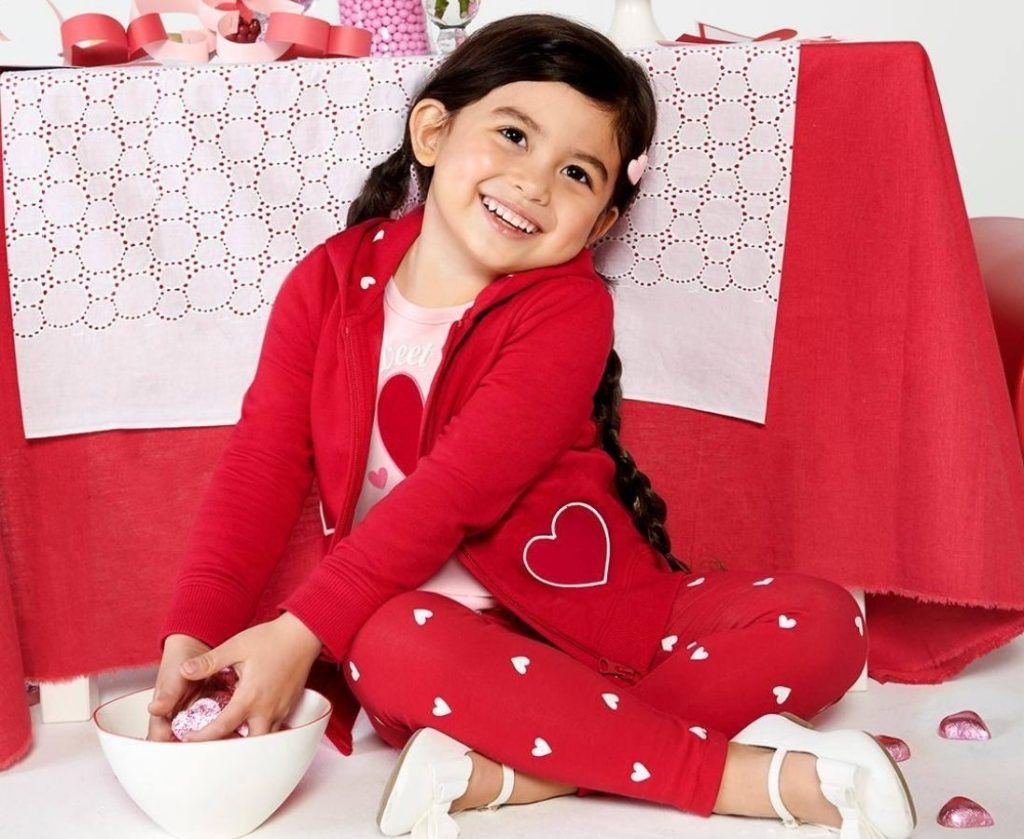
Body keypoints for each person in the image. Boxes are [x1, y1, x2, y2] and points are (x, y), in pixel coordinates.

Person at [146, 13, 916, 839]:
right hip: (436, 648)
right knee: (389, 635)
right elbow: (259, 470)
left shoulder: (568, 309)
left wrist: (298, 632)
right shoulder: (329, 282)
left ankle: (520, 771)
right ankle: (733, 777)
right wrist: (189, 645)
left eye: (578, 172)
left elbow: (453, 491)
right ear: (434, 129)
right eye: (513, 134)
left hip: (609, 616)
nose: (535, 182)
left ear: (603, 222)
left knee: (826, 618)